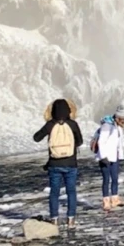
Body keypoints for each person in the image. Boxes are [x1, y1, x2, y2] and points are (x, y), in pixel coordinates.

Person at [32, 98, 83, 228]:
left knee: (54, 192)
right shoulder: (73, 124)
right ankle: (70, 220)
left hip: (54, 165)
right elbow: (80, 141)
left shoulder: (50, 124)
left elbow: (36, 138)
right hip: (71, 164)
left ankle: (54, 219)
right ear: (68, 110)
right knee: (71, 191)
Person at [94, 104, 124, 211]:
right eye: (122, 119)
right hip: (105, 157)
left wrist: (120, 155)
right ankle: (106, 201)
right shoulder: (107, 126)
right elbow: (101, 142)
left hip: (114, 157)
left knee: (115, 178)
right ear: (117, 117)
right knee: (106, 179)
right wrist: (103, 157)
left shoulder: (118, 127)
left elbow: (119, 143)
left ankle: (115, 199)